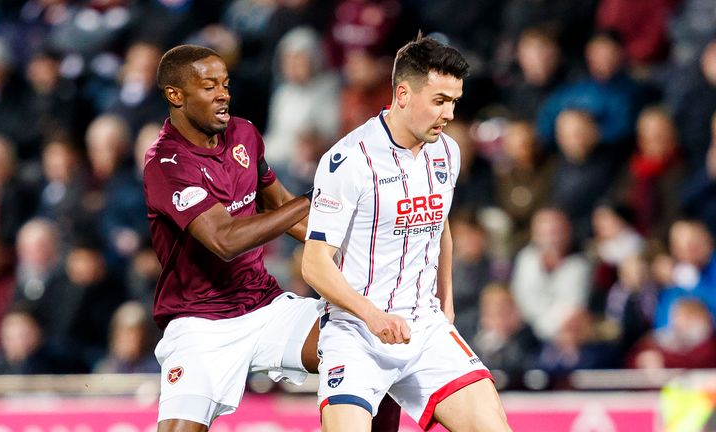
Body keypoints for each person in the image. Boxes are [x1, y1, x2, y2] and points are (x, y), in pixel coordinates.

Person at [143, 45, 400, 432]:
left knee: (375, 345)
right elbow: (225, 240)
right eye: (209, 86)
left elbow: (279, 204)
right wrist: (315, 197)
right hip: (200, 323)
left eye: (225, 84)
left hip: (264, 304)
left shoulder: (244, 134)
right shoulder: (166, 163)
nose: (223, 94)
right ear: (175, 95)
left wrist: (353, 247)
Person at [302, 34, 510, 432]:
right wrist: (373, 316)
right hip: (356, 331)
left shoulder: (447, 151)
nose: (449, 114)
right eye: (439, 101)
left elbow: (440, 225)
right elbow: (314, 264)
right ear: (402, 94)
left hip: (424, 328)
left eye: (454, 102)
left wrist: (446, 301)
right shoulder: (350, 159)